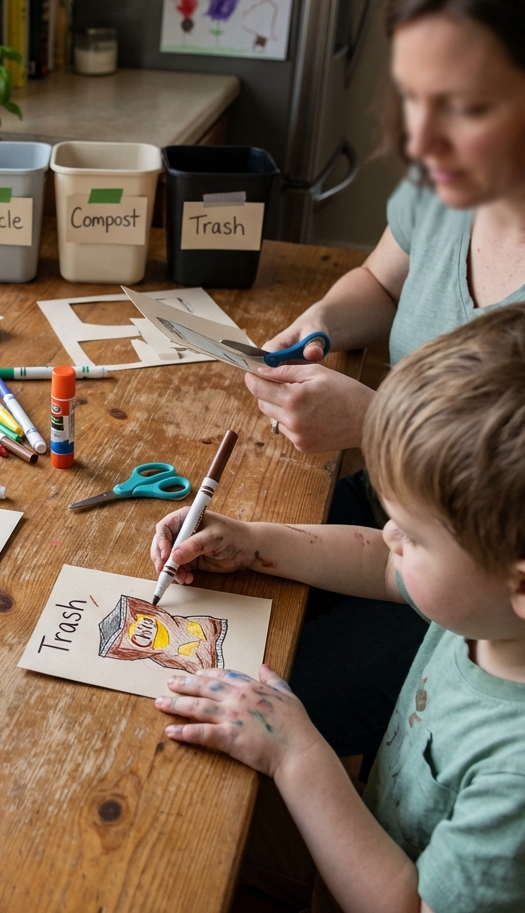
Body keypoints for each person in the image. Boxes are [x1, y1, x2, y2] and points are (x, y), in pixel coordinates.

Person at [245, 0, 525, 762]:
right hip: (392, 533)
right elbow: (380, 277)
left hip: (472, 605)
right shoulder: (450, 181)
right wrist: (328, 316)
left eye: (467, 107)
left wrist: (371, 422)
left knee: (251, 692)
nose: (422, 141)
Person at [151, 304, 525, 913]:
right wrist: (254, 542)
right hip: (372, 831)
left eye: (411, 533)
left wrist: (297, 756)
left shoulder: (515, 781)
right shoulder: (490, 611)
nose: (389, 537)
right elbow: (382, 563)